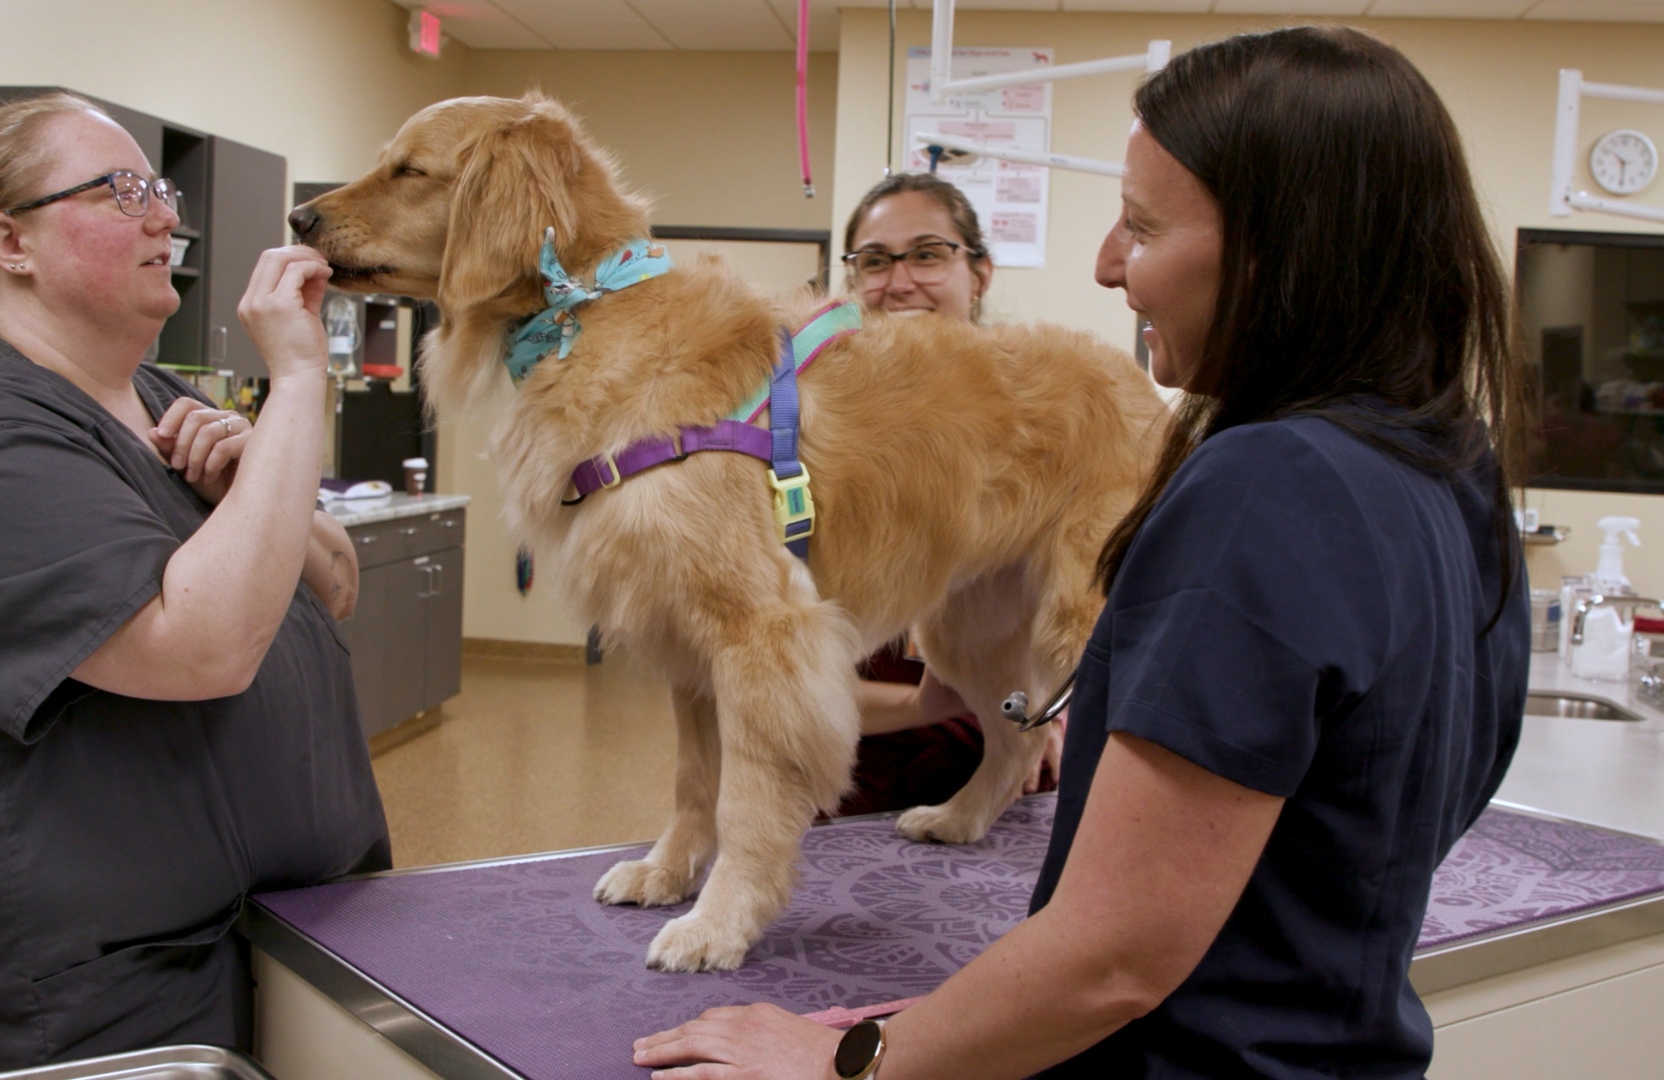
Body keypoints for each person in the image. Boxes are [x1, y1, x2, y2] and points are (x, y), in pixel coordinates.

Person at [635, 25, 1526, 1079]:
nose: (1107, 266)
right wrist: (962, 1022)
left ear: (1287, 249)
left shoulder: (1265, 488)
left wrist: (857, 1062)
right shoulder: (1451, 472)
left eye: (1141, 229)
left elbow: (1115, 960)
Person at [0, 93, 387, 1080]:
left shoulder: (161, 400)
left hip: (267, 949)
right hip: (95, 1008)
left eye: (161, 189)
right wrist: (301, 381)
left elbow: (337, 579)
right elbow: (205, 646)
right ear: (10, 242)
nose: (164, 218)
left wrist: (249, 475)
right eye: (123, 192)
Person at [836, 172, 1061, 816]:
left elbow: (1060, 647)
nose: (899, 281)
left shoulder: (1045, 425)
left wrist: (1035, 717)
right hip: (848, 776)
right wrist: (919, 704)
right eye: (875, 261)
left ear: (980, 273)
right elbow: (763, 673)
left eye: (928, 254)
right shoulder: (810, 436)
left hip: (1004, 786)